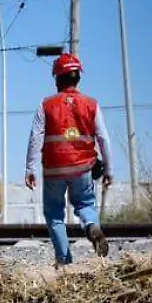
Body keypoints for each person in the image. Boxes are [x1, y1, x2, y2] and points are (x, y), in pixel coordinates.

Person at [25, 52, 112, 266]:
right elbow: (103, 138)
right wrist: (108, 169)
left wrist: (30, 168)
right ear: (78, 77)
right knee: (84, 204)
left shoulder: (46, 105)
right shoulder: (91, 104)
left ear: (57, 79)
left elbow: (35, 137)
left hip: (54, 169)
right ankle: (91, 225)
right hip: (83, 168)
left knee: (54, 214)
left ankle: (64, 261)